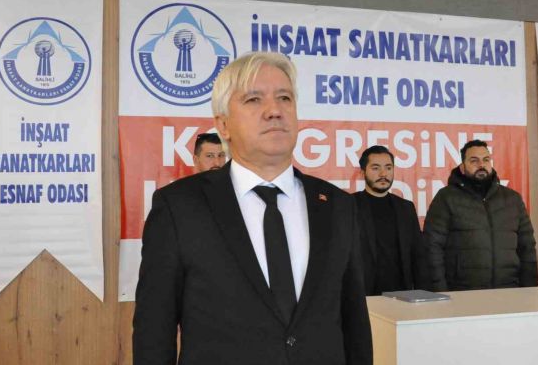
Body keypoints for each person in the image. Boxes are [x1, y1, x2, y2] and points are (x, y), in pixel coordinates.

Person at [133, 52, 372, 365]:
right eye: (254, 100)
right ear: (224, 125)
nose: (274, 111)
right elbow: (153, 331)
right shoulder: (179, 207)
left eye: (284, 98)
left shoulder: (338, 206)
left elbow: (355, 324)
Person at [422, 139, 537, 291]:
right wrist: (440, 292)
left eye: (486, 159)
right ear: (462, 167)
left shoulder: (512, 199)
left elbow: (527, 247)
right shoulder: (446, 198)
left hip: (509, 291)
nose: (481, 165)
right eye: (474, 160)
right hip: (462, 292)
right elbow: (432, 247)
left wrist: (530, 290)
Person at [353, 145, 427, 295]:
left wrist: (424, 293)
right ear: (362, 172)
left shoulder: (406, 208)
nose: (383, 174)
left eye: (388, 168)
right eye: (375, 168)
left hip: (402, 294)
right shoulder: (349, 205)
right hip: (363, 294)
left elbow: (418, 255)